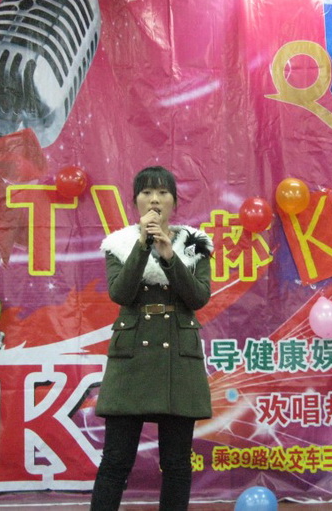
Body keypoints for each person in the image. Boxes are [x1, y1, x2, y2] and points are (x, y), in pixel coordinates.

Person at [90, 165, 214, 511]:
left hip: (178, 356)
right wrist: (143, 245)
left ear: (174, 201)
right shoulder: (119, 243)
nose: (155, 199)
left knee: (176, 463)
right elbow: (120, 293)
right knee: (115, 460)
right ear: (136, 202)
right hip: (132, 355)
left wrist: (170, 256)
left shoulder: (195, 243)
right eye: (146, 192)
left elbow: (198, 298)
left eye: (163, 192)